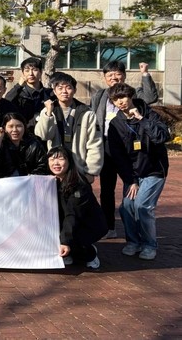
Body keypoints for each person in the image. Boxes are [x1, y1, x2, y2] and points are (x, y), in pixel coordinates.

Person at [91, 60, 159, 239]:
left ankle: (137, 229)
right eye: (110, 75)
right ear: (104, 78)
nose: (114, 78)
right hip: (106, 146)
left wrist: (145, 73)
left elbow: (151, 97)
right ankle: (109, 227)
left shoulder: (132, 94)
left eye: (117, 74)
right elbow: (93, 118)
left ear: (124, 75)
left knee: (132, 185)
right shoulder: (99, 95)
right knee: (106, 189)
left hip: (131, 147)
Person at [106, 83, 170, 261]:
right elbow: (118, 157)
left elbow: (161, 137)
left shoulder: (150, 114)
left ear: (131, 96)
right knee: (127, 206)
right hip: (133, 174)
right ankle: (133, 242)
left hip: (154, 171)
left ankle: (149, 245)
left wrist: (142, 119)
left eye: (123, 97)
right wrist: (131, 180)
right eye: (115, 99)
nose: (120, 102)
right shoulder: (116, 124)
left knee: (142, 206)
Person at [35, 72, 103, 182]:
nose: (64, 91)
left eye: (68, 88)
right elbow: (43, 135)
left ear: (75, 90)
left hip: (79, 169)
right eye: (60, 88)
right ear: (54, 91)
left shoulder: (86, 113)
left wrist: (91, 171)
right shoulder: (48, 111)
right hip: (56, 168)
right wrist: (48, 114)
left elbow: (95, 143)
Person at [48, 146, 106, 270]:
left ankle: (90, 254)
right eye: (52, 159)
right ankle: (70, 250)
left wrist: (65, 241)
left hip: (87, 224)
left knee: (74, 242)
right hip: (69, 222)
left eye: (61, 159)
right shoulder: (52, 181)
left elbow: (73, 214)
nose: (56, 163)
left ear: (69, 161)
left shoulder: (79, 184)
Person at [0, 113, 47, 179]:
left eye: (19, 126)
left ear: (24, 127)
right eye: (10, 126)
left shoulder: (34, 144)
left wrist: (29, 177)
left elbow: (43, 165)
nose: (15, 130)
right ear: (4, 128)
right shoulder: (2, 144)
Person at [4, 57, 53, 132]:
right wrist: (19, 86)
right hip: (23, 133)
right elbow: (7, 101)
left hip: (45, 132)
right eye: (27, 70)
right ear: (23, 73)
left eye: (35, 70)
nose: (31, 74)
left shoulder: (49, 93)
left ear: (41, 72)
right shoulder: (18, 94)